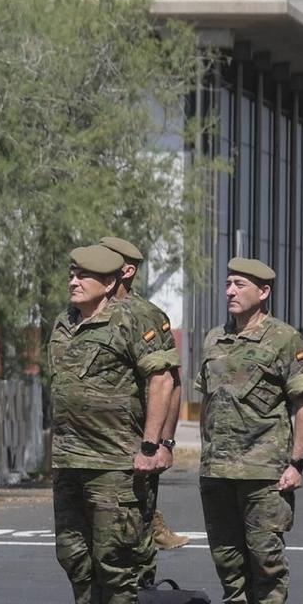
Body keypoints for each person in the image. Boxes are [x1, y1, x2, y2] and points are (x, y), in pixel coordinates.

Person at [43, 244, 179, 604]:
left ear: (109, 281)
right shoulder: (65, 322)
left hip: (116, 461)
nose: (74, 281)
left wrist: (153, 444)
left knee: (114, 559)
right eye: (72, 274)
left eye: (84, 276)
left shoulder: (133, 319)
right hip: (71, 459)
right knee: (74, 555)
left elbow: (162, 380)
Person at [196, 257, 303, 604]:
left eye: (239, 284)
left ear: (262, 292)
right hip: (217, 471)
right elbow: (206, 402)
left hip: (265, 471)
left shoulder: (285, 339)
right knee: (228, 558)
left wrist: (297, 462)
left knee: (265, 558)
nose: (230, 291)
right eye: (228, 284)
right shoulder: (214, 340)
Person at [99, 236, 190, 572]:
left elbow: (169, 383)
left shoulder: (146, 316)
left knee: (132, 548)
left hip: (132, 447)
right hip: (89, 449)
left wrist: (163, 444)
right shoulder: (79, 314)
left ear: (126, 270)